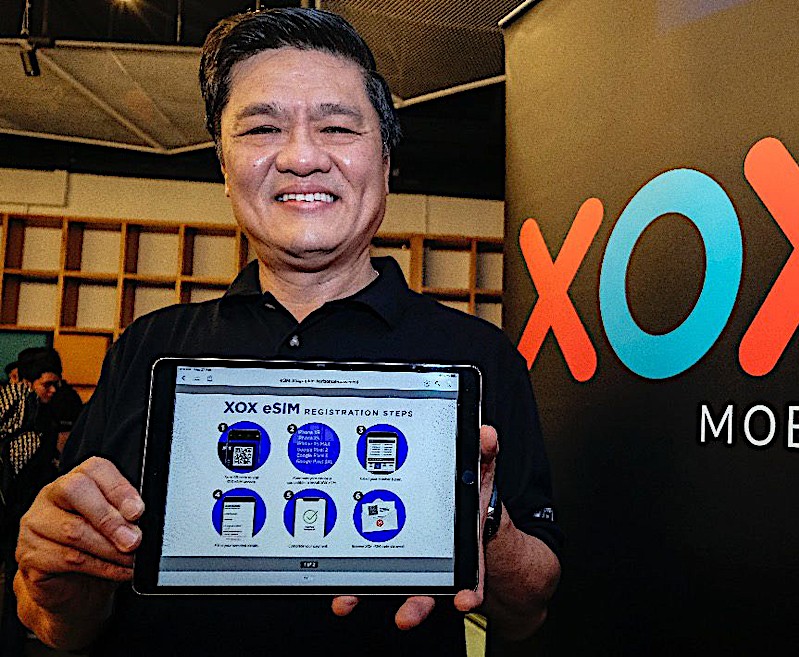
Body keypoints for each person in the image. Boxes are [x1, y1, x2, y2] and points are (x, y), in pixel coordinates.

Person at [13, 8, 562, 657]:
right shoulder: (148, 347)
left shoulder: (477, 353)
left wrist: (482, 524)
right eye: (262, 127)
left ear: (386, 161)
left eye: (337, 127)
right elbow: (60, 624)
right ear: (225, 169)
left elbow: (528, 613)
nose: (302, 157)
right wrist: (55, 591)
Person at [1, 347, 66, 656]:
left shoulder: (37, 413)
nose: (52, 391)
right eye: (47, 384)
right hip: (15, 512)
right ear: (27, 381)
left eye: (56, 384)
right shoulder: (26, 409)